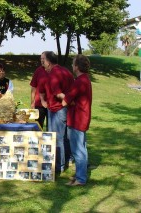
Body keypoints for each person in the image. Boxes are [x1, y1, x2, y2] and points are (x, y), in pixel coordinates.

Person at [38, 51, 74, 173]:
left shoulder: (54, 74)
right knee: (64, 137)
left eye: (43, 60)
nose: (42, 62)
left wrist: (68, 101)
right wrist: (43, 100)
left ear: (49, 62)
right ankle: (68, 160)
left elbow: (59, 94)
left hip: (57, 109)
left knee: (57, 138)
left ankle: (59, 166)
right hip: (59, 108)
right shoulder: (66, 71)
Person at [62, 55, 92, 186]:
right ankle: (80, 175)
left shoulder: (79, 81)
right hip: (81, 118)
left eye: (73, 64)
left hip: (77, 119)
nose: (72, 66)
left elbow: (65, 101)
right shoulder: (85, 79)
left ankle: (80, 178)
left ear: (77, 67)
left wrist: (60, 95)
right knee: (81, 149)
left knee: (78, 150)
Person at [30, 52, 49, 130]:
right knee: (38, 127)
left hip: (51, 104)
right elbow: (33, 87)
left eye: (43, 58)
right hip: (39, 104)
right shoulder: (38, 71)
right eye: (41, 58)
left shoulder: (53, 71)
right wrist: (32, 102)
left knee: (50, 129)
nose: (41, 60)